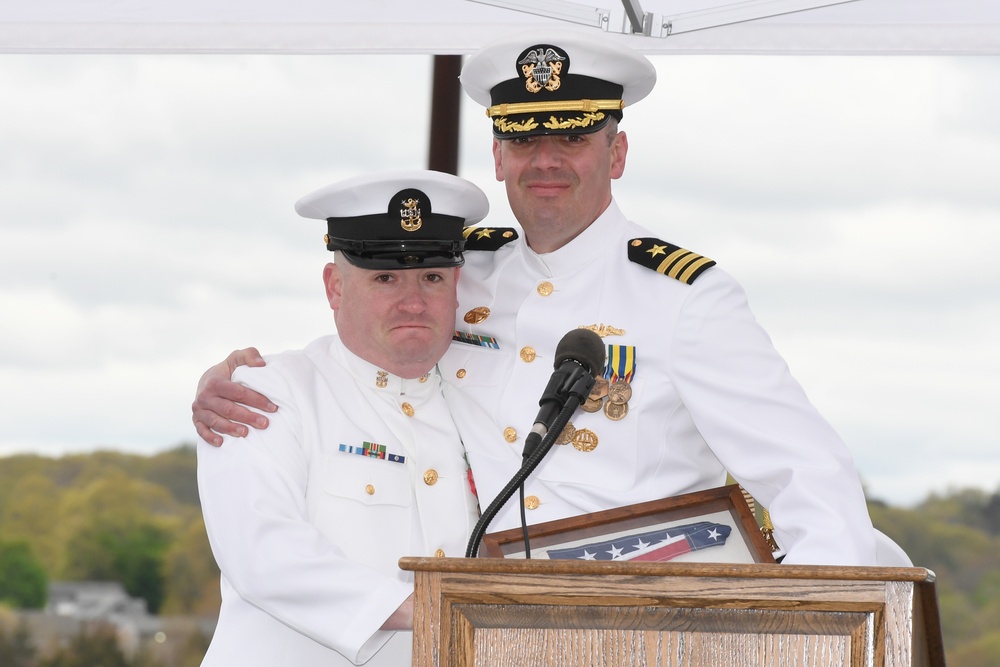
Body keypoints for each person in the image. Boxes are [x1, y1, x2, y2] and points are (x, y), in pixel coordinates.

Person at [193, 29, 877, 566]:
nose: (545, 159)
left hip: (638, 609)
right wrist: (244, 383)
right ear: (497, 158)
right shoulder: (462, 275)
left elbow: (806, 474)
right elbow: (364, 344)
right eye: (524, 138)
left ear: (617, 153)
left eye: (573, 137)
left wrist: (822, 623)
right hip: (485, 616)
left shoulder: (684, 298)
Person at [196, 170, 485, 666]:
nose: (413, 300)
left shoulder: (479, 405)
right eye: (385, 277)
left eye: (432, 277)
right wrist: (430, 608)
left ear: (457, 286)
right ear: (334, 287)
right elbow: (262, 553)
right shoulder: (269, 394)